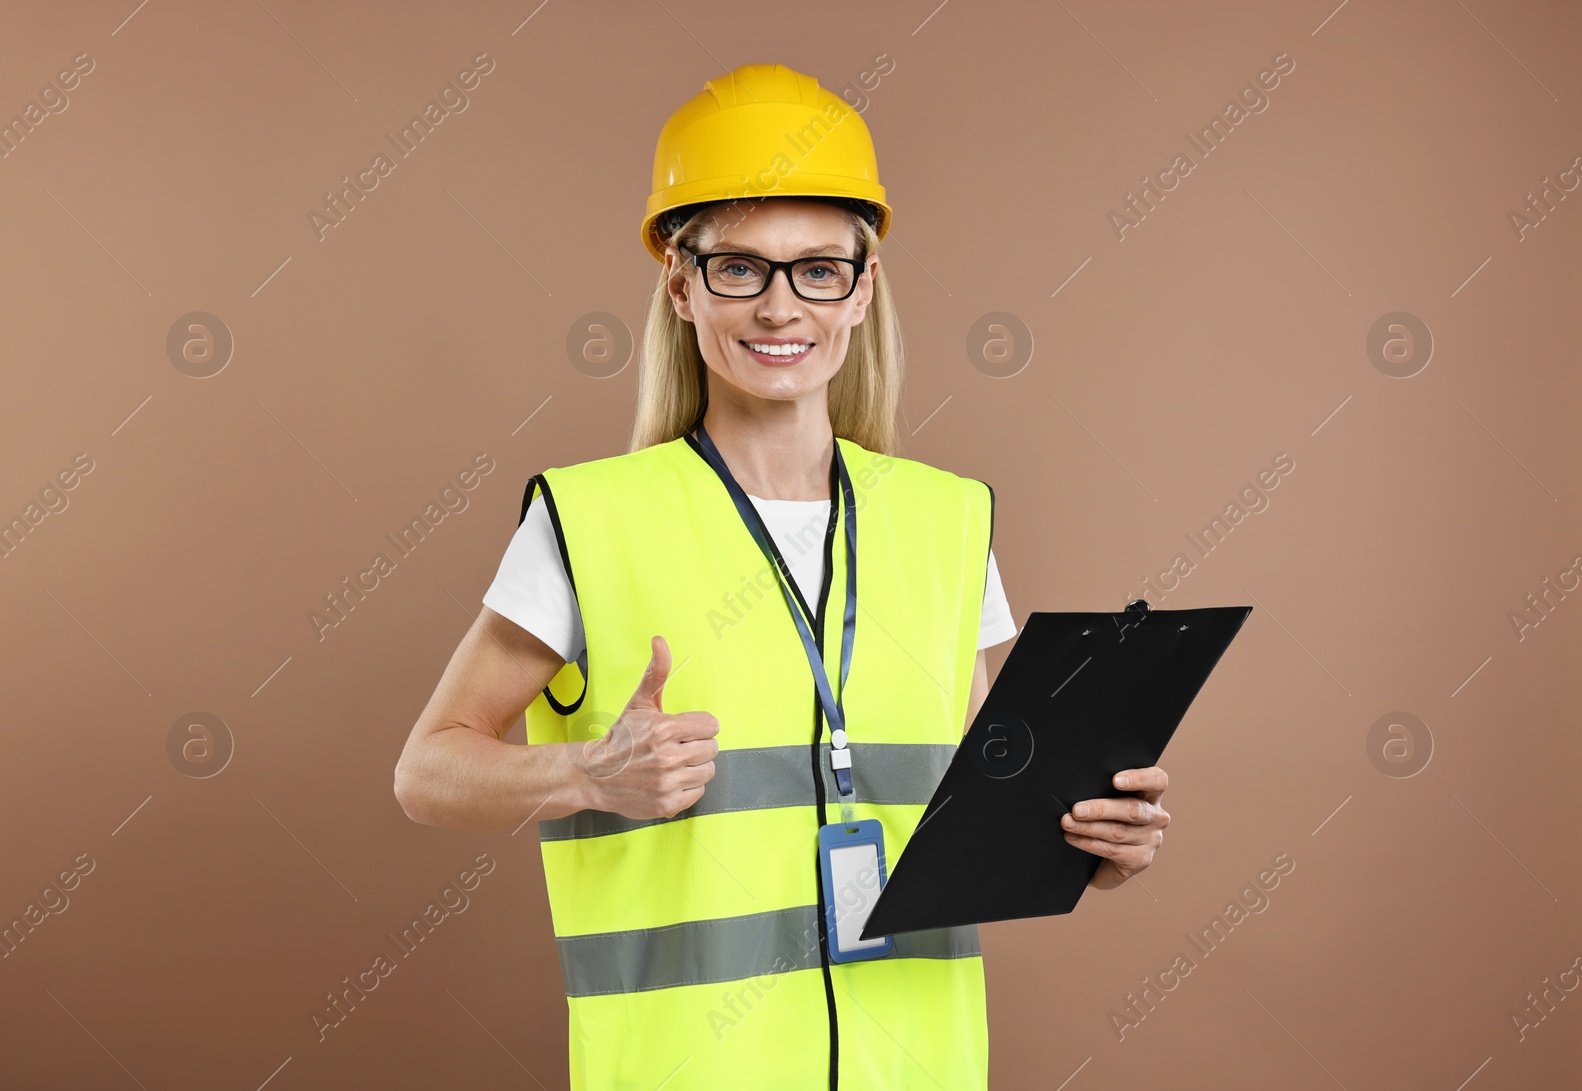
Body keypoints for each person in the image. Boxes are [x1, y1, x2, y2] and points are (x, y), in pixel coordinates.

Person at [393, 62, 1171, 1091]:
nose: (778, 306)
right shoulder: (591, 520)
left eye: (816, 268)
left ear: (861, 288)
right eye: (739, 269)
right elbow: (425, 772)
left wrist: (1097, 837)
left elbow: (1006, 797)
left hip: (918, 1066)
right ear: (681, 285)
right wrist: (586, 774)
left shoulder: (948, 521)